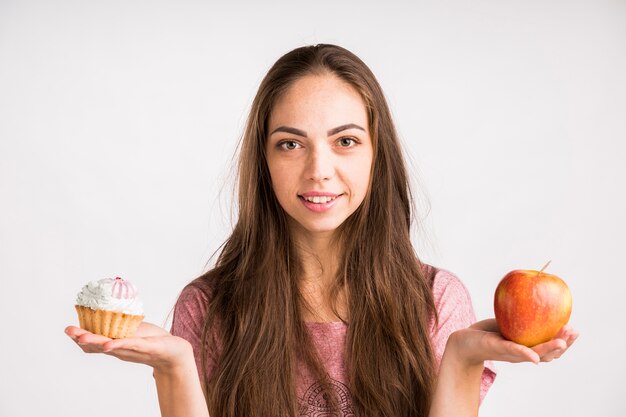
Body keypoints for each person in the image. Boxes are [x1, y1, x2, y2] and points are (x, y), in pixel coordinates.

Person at [65, 44, 578, 417]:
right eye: (291, 144)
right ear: (263, 160)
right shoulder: (209, 307)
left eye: (346, 141)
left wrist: (463, 358)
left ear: (378, 155)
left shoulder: (437, 299)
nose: (319, 170)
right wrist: (175, 366)